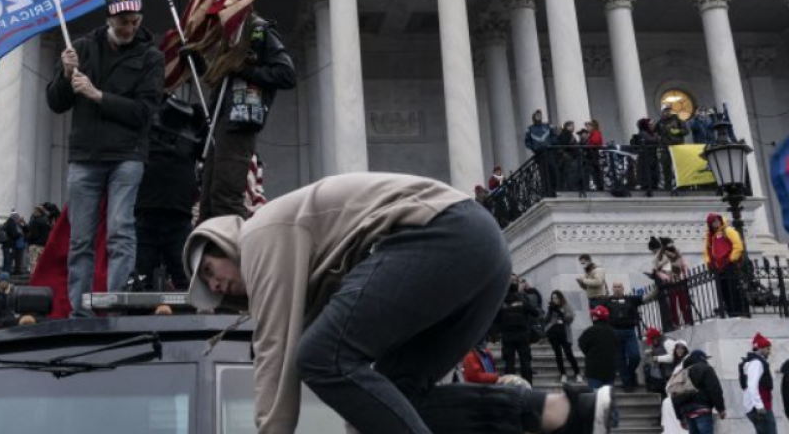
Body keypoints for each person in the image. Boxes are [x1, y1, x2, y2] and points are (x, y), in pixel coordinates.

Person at [183, 173, 614, 434]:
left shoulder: (260, 233)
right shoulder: (310, 271)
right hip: (483, 254)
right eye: (209, 288)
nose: (216, 285)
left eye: (208, 271)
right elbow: (360, 392)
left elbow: (278, 355)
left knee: (316, 357)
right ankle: (559, 411)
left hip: (446, 234)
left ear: (224, 241)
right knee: (398, 396)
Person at [46, 0, 163, 318]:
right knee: (80, 240)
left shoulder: (150, 57)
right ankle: (79, 313)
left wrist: (98, 96)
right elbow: (56, 103)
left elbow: (145, 112)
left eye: (135, 21)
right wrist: (66, 74)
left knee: (120, 230)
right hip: (86, 156)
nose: (130, 28)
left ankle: (115, 308)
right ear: (110, 17)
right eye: (124, 21)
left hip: (127, 155)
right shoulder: (81, 48)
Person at [193, 12, 296, 221]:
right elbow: (221, 83)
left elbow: (287, 75)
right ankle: (211, 249)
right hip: (221, 124)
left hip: (240, 123)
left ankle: (243, 249)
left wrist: (244, 68)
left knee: (225, 198)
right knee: (209, 202)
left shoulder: (259, 31)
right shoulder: (229, 39)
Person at [135, 96, 202, 290]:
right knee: (142, 280)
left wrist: (200, 116)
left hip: (175, 215)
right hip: (149, 212)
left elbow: (209, 147)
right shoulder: (148, 125)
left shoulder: (194, 133)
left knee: (184, 279)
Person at [578, 305, 618, 430]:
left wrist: (590, 354)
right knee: (609, 397)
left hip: (594, 370)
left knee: (595, 398)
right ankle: (613, 420)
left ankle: (595, 423)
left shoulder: (590, 331)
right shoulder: (613, 332)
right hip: (609, 370)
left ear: (596, 317)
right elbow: (616, 347)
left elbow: (582, 344)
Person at [671, 350, 726, 434]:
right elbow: (714, 389)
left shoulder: (682, 373)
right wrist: (720, 408)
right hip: (702, 410)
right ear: (702, 358)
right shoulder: (706, 368)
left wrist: (680, 417)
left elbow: (674, 395)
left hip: (687, 413)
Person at [703, 212, 746, 317]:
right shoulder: (710, 236)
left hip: (729, 265)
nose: (716, 223)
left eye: (717, 221)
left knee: (733, 290)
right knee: (724, 292)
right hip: (718, 268)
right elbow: (707, 251)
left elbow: (738, 246)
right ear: (710, 224)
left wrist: (730, 259)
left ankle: (738, 312)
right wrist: (709, 263)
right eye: (713, 222)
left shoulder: (728, 231)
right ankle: (731, 312)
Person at [496, 279, 539, 384]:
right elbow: (536, 313)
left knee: (509, 364)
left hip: (507, 338)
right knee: (525, 363)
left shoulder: (501, 303)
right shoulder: (522, 301)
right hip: (523, 337)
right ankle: (528, 386)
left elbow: (495, 320)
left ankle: (510, 388)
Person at [604, 282, 643, 391]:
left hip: (629, 331)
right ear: (612, 289)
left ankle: (630, 374)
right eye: (615, 287)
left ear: (623, 288)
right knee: (620, 360)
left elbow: (646, 298)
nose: (617, 289)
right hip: (614, 332)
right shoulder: (607, 301)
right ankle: (627, 383)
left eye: (619, 287)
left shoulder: (630, 299)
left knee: (635, 356)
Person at [652, 237, 694, 328]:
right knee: (673, 304)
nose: (671, 245)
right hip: (670, 282)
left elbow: (683, 263)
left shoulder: (677, 251)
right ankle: (676, 323)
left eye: (672, 243)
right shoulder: (660, 255)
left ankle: (687, 321)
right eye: (669, 243)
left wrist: (685, 272)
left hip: (680, 280)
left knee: (684, 302)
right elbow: (657, 269)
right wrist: (666, 277)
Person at [742, 333, 776, 434]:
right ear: (760, 348)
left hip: (756, 407)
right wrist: (759, 405)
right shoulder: (757, 363)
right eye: (767, 349)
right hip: (760, 408)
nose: (769, 352)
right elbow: (752, 385)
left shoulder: (751, 362)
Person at [545, 290, 582, 382]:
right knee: (558, 354)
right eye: (553, 298)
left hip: (564, 333)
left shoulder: (566, 306)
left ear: (560, 298)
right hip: (553, 334)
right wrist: (550, 311)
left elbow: (570, 318)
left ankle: (577, 373)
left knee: (569, 353)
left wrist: (561, 313)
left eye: (556, 298)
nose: (555, 300)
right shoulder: (551, 308)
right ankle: (563, 374)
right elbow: (546, 320)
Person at [26, 205, 53, 274]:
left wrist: (29, 240)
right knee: (41, 263)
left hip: (35, 244)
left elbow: (33, 234)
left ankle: (33, 279)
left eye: (35, 211)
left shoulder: (36, 221)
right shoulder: (47, 221)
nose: (34, 213)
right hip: (43, 245)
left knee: (33, 263)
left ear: (39, 212)